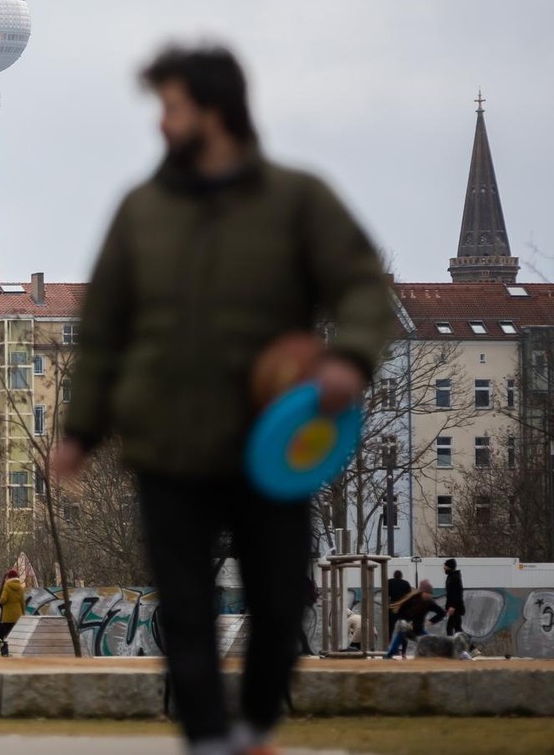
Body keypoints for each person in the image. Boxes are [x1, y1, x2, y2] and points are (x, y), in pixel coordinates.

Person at [52, 45, 393, 755]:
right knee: (184, 608)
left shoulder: (297, 198)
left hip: (271, 443)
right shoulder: (141, 210)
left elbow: (362, 284)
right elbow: (104, 328)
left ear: (215, 110)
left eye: (172, 107)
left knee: (276, 602)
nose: (161, 124)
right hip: (167, 445)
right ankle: (208, 738)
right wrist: (80, 430)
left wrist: (350, 359)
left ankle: (255, 724)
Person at [385, 579, 446, 659]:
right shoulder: (413, 599)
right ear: (422, 592)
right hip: (406, 627)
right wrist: (405, 622)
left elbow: (442, 613)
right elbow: (401, 611)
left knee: (432, 641)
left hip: (418, 629)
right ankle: (388, 657)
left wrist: (431, 621)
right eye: (427, 593)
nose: (428, 595)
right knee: (397, 642)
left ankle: (441, 656)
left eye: (430, 593)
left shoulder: (429, 603)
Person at [0, 570, 24, 656]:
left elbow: (4, 599)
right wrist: (23, 614)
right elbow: (23, 602)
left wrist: (0, 601)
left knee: (6, 635)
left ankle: (6, 652)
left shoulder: (7, 586)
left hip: (8, 616)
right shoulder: (20, 587)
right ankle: (16, 651)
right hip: (18, 615)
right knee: (15, 634)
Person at [386, 570, 412, 641]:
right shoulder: (405, 583)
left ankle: (389, 644)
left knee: (390, 628)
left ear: (394, 575)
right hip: (403, 609)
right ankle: (403, 648)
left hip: (392, 608)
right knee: (403, 628)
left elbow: (387, 595)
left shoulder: (389, 582)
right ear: (401, 576)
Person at [443, 559, 466, 636]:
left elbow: (457, 593)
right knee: (457, 629)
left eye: (445, 565)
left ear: (449, 567)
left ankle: (450, 646)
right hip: (456, 607)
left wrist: (452, 606)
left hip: (456, 608)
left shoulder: (454, 578)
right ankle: (469, 647)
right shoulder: (451, 577)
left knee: (450, 628)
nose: (444, 567)